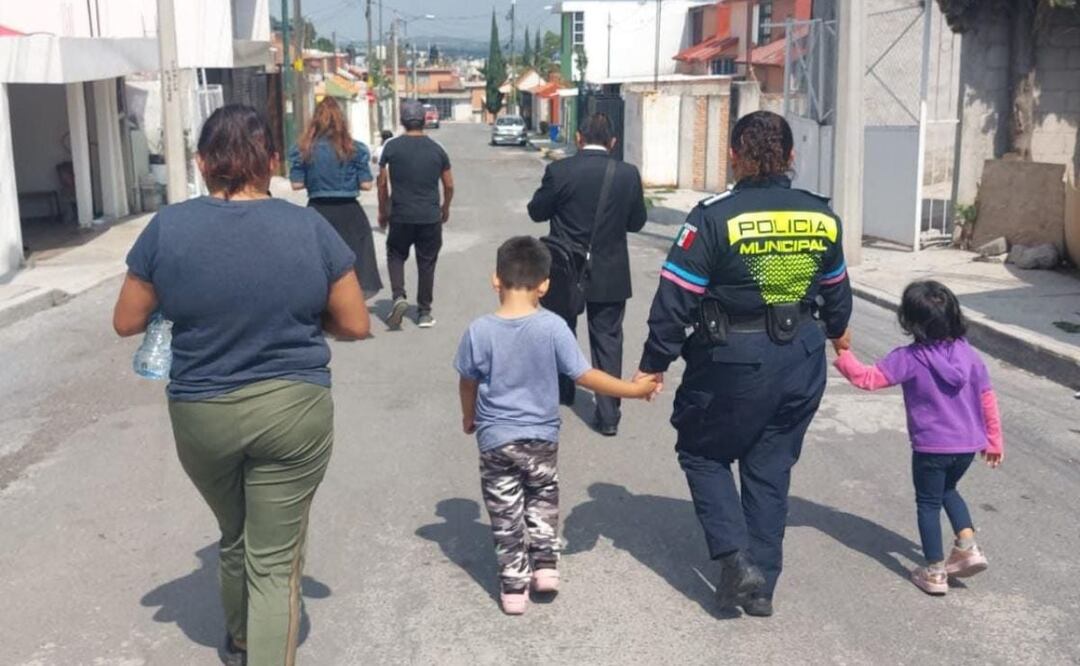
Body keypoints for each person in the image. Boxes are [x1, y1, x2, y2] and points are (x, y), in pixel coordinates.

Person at [113, 105, 369, 665]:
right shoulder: (309, 227)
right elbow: (355, 323)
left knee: (234, 531)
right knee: (274, 561)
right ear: (272, 162)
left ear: (203, 163)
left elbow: (126, 320)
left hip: (201, 412)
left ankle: (241, 636)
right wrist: (302, 319)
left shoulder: (168, 227)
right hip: (292, 409)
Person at [633, 111, 852, 618]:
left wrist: (654, 363)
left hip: (732, 361)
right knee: (771, 466)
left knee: (702, 451)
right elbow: (837, 294)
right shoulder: (821, 216)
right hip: (801, 359)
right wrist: (839, 336)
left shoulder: (713, 216)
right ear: (792, 158)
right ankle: (761, 588)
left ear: (734, 156)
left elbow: (676, 299)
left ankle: (736, 560)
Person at [454, 236, 658, 615]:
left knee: (505, 512)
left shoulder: (479, 330)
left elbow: (467, 381)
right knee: (542, 499)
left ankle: (514, 590)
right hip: (541, 437)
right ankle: (545, 567)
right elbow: (585, 375)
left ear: (495, 280)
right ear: (545, 284)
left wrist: (469, 415)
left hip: (495, 437)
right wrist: (631, 390)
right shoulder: (553, 327)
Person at [832, 280, 1004, 596]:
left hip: (931, 447)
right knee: (949, 489)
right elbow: (987, 397)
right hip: (967, 446)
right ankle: (967, 545)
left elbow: (868, 379)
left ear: (909, 322)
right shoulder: (969, 355)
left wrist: (843, 352)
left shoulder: (909, 358)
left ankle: (935, 570)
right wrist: (993, 440)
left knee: (927, 503)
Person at [527, 112, 647, 436]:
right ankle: (608, 416)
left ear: (578, 138)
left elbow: (536, 211)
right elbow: (637, 222)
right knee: (607, 340)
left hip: (565, 268)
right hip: (610, 271)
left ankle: (563, 391)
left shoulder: (560, 171)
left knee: (561, 330)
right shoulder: (627, 174)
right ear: (613, 142)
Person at [289, 96, 383, 298]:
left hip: (317, 210)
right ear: (342, 120)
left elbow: (296, 184)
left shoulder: (303, 149)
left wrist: (316, 179)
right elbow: (366, 185)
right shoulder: (354, 148)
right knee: (354, 264)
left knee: (319, 262)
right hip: (349, 212)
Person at [378, 99, 454, 329]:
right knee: (427, 262)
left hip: (400, 214)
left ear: (402, 122)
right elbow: (449, 185)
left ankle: (399, 296)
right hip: (429, 216)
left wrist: (383, 211)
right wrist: (445, 207)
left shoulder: (390, 147)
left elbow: (382, 184)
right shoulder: (437, 149)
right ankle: (423, 312)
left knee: (396, 254)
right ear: (424, 121)